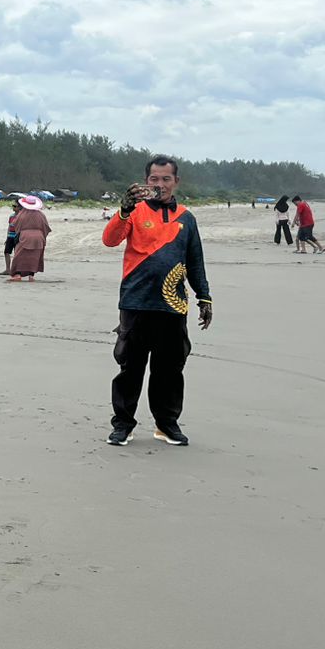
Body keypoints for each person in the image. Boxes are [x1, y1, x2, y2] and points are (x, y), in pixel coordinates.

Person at [101, 156, 211, 447]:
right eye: (154, 179)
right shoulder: (134, 212)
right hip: (136, 302)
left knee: (170, 370)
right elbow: (110, 240)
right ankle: (123, 424)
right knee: (130, 368)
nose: (159, 185)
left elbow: (195, 261)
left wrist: (205, 298)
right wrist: (124, 209)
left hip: (173, 305)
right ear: (145, 182)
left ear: (176, 182)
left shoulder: (187, 218)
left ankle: (167, 424)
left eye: (165, 179)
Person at [7, 195, 52, 281]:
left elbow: (16, 225)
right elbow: (46, 227)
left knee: (19, 256)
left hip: (25, 236)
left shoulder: (22, 214)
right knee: (34, 257)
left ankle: (17, 274)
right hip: (39, 237)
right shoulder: (41, 214)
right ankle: (31, 275)